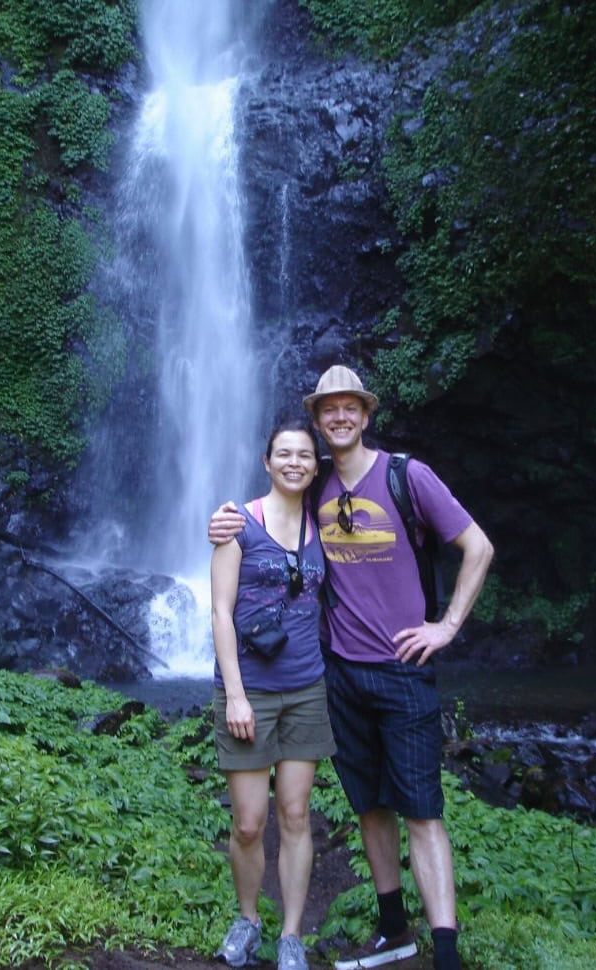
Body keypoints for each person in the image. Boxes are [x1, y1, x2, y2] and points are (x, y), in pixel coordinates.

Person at [209, 366, 494, 970]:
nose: (339, 418)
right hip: (339, 674)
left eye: (350, 408)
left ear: (365, 415)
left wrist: (445, 627)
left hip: (401, 670)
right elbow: (260, 533)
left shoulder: (405, 476)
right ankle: (393, 929)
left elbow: (480, 546)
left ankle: (445, 951)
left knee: (421, 808)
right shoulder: (310, 491)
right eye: (327, 410)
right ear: (315, 423)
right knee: (369, 805)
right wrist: (222, 521)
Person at [211, 417, 337, 970]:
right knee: (248, 822)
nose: (294, 463)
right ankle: (248, 920)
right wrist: (235, 695)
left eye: (304, 455)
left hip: (306, 688)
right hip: (249, 692)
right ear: (267, 462)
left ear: (315, 466)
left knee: (295, 815)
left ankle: (291, 935)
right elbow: (219, 611)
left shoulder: (324, 527)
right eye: (284, 454)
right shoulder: (238, 524)